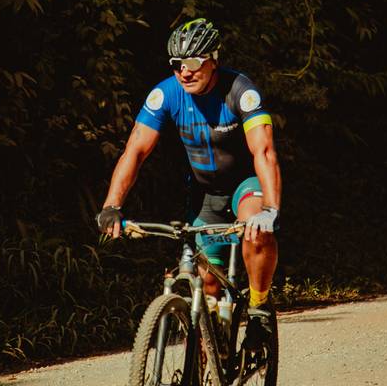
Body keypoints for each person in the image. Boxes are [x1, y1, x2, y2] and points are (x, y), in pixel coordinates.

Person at [96, 18, 281, 348]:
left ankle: (258, 307)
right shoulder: (166, 94)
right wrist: (112, 205)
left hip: (245, 184)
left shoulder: (241, 90)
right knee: (207, 283)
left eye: (194, 62)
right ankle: (209, 352)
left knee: (256, 229)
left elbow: (264, 151)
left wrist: (270, 209)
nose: (185, 72)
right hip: (204, 192)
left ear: (213, 60)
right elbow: (135, 151)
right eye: (177, 64)